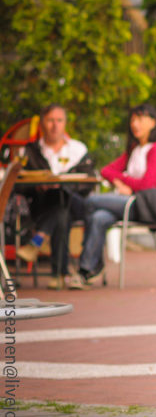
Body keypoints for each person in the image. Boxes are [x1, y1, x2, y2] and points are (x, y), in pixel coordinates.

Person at [71, 104, 156, 290]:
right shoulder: (134, 150)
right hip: (127, 204)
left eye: (140, 119)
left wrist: (123, 180)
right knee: (98, 217)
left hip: (145, 206)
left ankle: (92, 263)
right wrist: (121, 183)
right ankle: (87, 270)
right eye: (133, 119)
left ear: (153, 122)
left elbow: (147, 185)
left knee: (91, 202)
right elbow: (106, 170)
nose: (135, 123)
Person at [15, 105, 95, 289]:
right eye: (50, 120)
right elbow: (18, 185)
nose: (55, 125)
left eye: (59, 120)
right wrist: (38, 186)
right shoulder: (29, 151)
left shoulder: (78, 150)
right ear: (42, 124)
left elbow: (88, 182)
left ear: (65, 123)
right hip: (42, 207)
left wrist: (65, 185)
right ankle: (60, 275)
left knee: (62, 194)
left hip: (76, 205)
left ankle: (38, 239)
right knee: (61, 213)